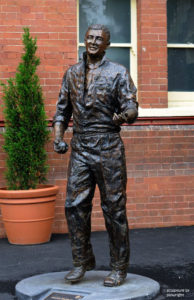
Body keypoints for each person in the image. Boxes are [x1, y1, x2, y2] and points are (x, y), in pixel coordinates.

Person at [53, 24, 138, 287]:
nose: (92, 42)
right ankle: (81, 262)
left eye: (98, 39)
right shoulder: (72, 73)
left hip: (108, 146)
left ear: (106, 45)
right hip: (80, 147)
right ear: (84, 40)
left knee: (114, 209)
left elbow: (132, 107)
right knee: (74, 207)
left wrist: (124, 115)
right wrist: (58, 136)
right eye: (89, 37)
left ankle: (119, 267)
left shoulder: (118, 72)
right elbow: (61, 111)